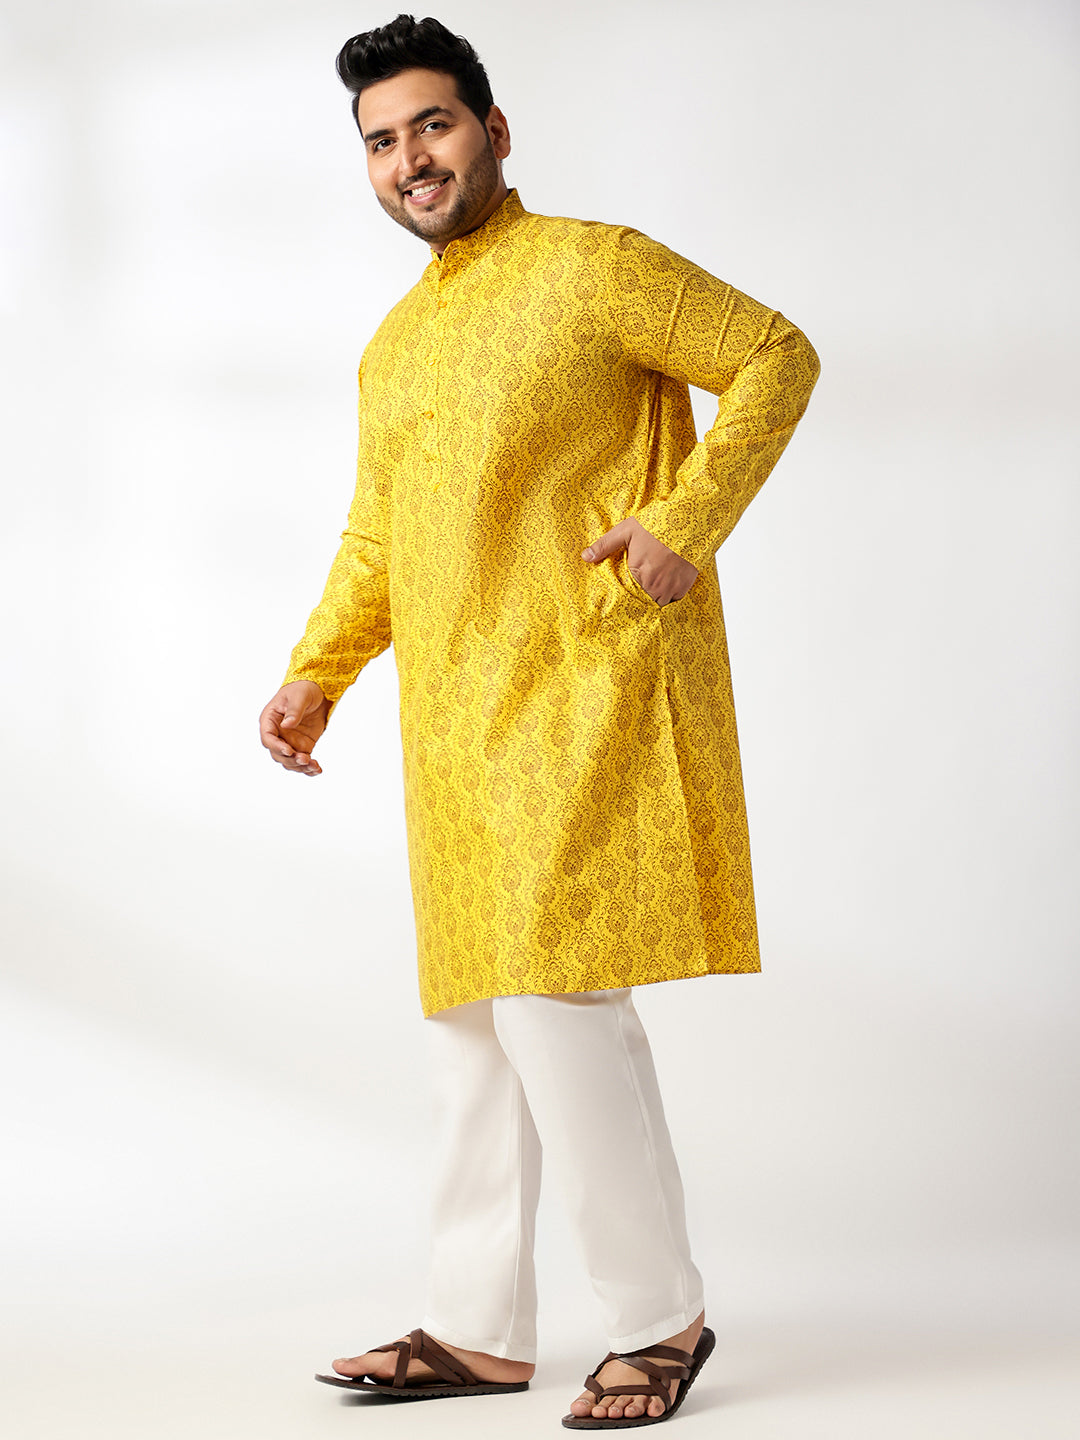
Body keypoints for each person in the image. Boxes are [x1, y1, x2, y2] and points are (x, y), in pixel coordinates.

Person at [258, 13, 819, 1429]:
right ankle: (476, 1330)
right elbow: (378, 536)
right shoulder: (395, 348)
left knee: (555, 1003)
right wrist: (320, 670)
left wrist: (688, 518)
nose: (409, 158)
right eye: (382, 142)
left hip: (586, 685)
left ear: (494, 130)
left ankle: (660, 1318)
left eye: (432, 124)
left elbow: (775, 353)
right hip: (456, 727)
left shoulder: (595, 267)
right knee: (471, 1024)